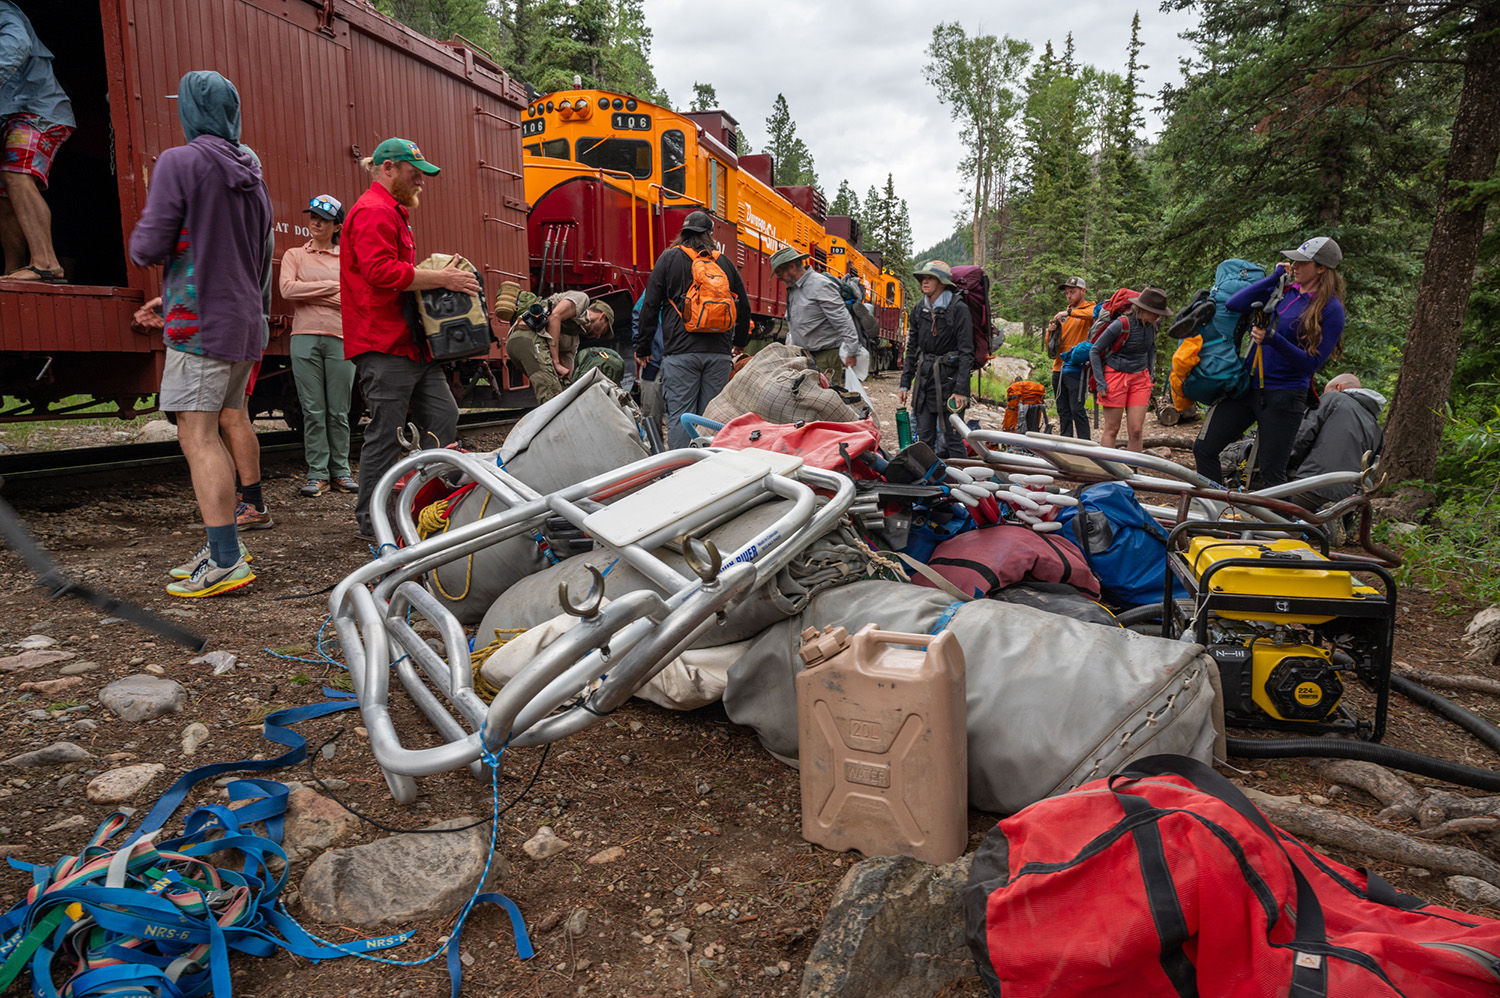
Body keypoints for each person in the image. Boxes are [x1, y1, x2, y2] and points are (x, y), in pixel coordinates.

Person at [127, 71, 271, 597]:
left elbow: (149, 244)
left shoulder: (180, 161)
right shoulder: (252, 175)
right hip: (242, 321)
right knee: (218, 425)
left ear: (190, 111)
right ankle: (224, 546)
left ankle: (227, 561)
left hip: (200, 327)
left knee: (197, 434)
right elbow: (254, 257)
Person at [342, 137, 479, 540]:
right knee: (385, 434)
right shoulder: (373, 211)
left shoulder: (393, 212)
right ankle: (372, 524)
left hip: (409, 343)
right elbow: (380, 273)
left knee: (443, 416)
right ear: (388, 169)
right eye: (413, 172)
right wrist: (442, 277)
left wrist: (434, 271)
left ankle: (433, 505)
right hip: (383, 344)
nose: (420, 180)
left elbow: (393, 271)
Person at [1193, 236, 1347, 488]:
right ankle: (1218, 513)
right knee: (1204, 449)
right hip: (1246, 387)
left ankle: (1285, 528)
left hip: (1284, 396)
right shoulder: (1284, 291)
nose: (1293, 265)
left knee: (1271, 474)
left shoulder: (1331, 309)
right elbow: (1235, 304)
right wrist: (1274, 277)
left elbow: (1312, 364)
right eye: (1292, 260)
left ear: (1321, 268)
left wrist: (1274, 339)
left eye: (1301, 261)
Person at [635, 210, 751, 449]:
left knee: (679, 417)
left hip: (680, 355)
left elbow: (650, 305)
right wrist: (739, 342)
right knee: (710, 419)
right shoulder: (724, 262)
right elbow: (744, 306)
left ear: (683, 233)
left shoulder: (668, 259)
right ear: (709, 234)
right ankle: (709, 474)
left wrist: (643, 347)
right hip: (718, 354)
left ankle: (680, 473)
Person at [282, 194, 357, 498]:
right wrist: (332, 288)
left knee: (339, 411)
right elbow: (288, 289)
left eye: (323, 220)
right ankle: (317, 475)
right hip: (304, 338)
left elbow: (353, 298)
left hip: (341, 338)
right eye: (312, 216)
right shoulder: (294, 255)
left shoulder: (348, 259)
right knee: (313, 410)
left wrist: (309, 292)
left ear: (337, 226)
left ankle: (340, 472)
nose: (315, 223)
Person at [0, 1, 74, 283]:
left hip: (38, 112)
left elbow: (17, 42)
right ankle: (12, 271)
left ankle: (46, 263)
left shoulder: (4, 12)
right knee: (5, 192)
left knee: (15, 174)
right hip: (11, 116)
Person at [898, 260, 972, 459]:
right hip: (925, 382)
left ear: (942, 283)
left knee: (954, 438)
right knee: (924, 437)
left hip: (950, 381)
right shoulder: (918, 309)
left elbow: (966, 352)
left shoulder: (959, 309)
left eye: (930, 278)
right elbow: (912, 348)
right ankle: (928, 484)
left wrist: (961, 390)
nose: (925, 282)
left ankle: (964, 485)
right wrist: (905, 383)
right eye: (923, 278)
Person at [1288, 373, 1385, 512]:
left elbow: (1302, 436)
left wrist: (1285, 465)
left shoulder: (1333, 398)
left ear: (1338, 387)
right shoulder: (1376, 429)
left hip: (1312, 484)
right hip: (1346, 499)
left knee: (1259, 512)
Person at [1091, 287, 1170, 452]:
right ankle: (1109, 472)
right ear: (1142, 308)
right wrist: (1100, 383)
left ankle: (1132, 472)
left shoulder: (1153, 325)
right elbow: (1095, 351)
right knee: (1112, 429)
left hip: (1140, 377)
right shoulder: (1120, 324)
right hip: (1115, 376)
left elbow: (1151, 349)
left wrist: (1150, 372)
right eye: (1153, 311)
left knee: (1136, 431)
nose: (1157, 315)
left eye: (1159, 312)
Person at [503, 290, 613, 403]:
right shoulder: (582, 299)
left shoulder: (573, 338)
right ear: (602, 317)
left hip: (524, 346)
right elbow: (554, 316)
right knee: (553, 397)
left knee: (563, 393)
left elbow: (567, 372)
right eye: (603, 330)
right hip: (528, 337)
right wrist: (555, 362)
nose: (598, 336)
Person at [769, 246, 859, 382]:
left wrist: (852, 351)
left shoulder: (820, 285)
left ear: (792, 266)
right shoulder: (794, 289)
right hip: (804, 356)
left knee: (826, 399)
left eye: (780, 271)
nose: (778, 276)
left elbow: (842, 319)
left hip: (825, 356)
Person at [1047, 277, 1096, 439]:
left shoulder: (1090, 309)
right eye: (1067, 293)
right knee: (1063, 410)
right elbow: (1050, 346)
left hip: (1077, 368)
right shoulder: (1063, 315)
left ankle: (1085, 445)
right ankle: (1065, 442)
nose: (1069, 296)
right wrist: (1051, 331)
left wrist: (1068, 312)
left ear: (1083, 291)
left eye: (1073, 292)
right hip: (1058, 367)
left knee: (1077, 409)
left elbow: (1092, 314)